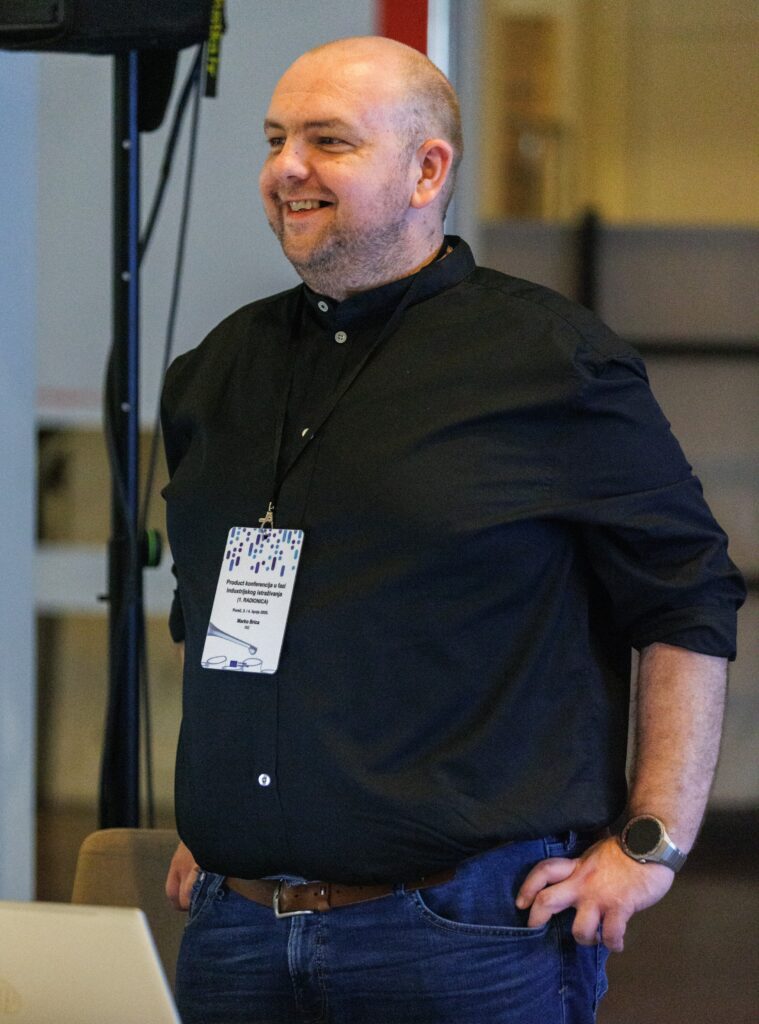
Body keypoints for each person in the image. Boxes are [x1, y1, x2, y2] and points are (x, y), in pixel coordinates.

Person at [160, 35, 745, 1024]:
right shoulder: (218, 371)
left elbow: (686, 596)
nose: (286, 168)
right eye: (275, 139)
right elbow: (215, 613)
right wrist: (232, 815)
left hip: (463, 933)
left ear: (427, 170)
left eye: (328, 141)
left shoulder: (549, 359)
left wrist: (652, 840)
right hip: (238, 925)